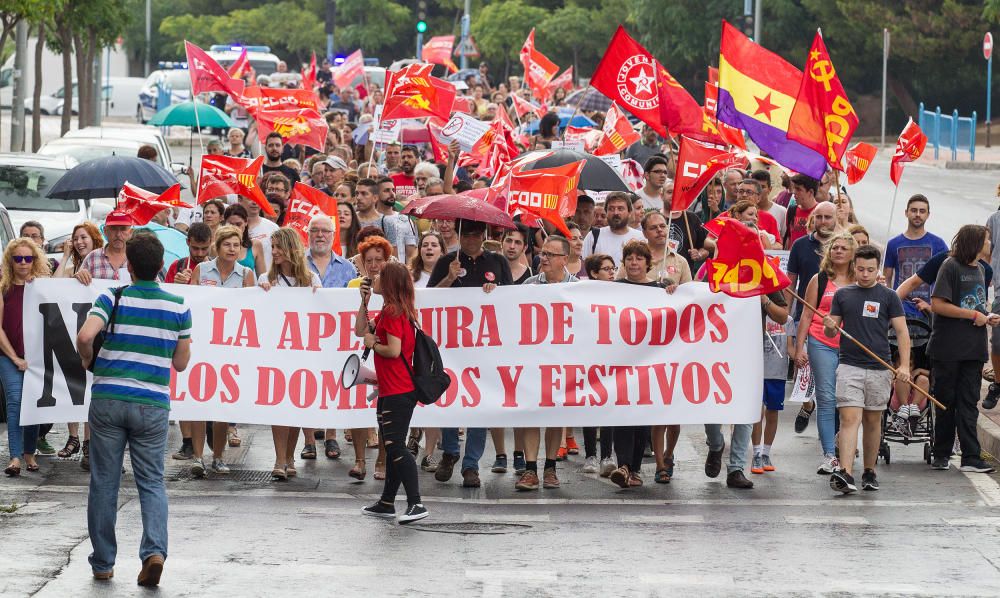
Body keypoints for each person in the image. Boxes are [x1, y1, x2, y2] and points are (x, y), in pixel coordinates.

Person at [76, 233, 192, 586]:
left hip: (109, 399)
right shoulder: (178, 306)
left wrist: (88, 361)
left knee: (104, 483)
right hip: (152, 404)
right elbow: (182, 363)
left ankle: (103, 562)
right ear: (160, 266)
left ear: (128, 265)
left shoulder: (111, 297)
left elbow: (84, 337)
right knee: (152, 482)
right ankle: (154, 552)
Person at [427, 219, 511, 487]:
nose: (471, 240)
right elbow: (429, 299)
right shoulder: (446, 262)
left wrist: (495, 293)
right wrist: (450, 278)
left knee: (480, 403)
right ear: (460, 235)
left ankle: (471, 465)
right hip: (451, 344)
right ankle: (450, 451)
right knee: (451, 396)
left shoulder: (498, 262)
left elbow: (514, 300)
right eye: (467, 235)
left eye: (476, 235)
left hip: (486, 346)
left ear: (483, 236)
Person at [825, 244, 911, 493]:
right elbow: (833, 330)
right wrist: (830, 325)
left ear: (877, 269)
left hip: (879, 367)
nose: (865, 274)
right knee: (849, 418)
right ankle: (845, 473)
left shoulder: (888, 296)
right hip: (849, 365)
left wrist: (904, 365)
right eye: (861, 269)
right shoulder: (843, 295)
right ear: (855, 267)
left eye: (870, 270)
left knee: (873, 421)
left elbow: (902, 332)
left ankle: (869, 471)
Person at [357, 262, 428, 523]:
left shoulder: (394, 311)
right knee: (392, 445)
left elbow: (393, 351)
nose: (373, 278)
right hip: (389, 389)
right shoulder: (389, 311)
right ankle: (387, 502)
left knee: (396, 446)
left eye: (378, 276)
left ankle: (416, 503)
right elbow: (359, 330)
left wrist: (374, 344)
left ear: (388, 283)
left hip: (398, 390)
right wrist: (363, 302)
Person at [928, 225, 999, 473]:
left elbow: (977, 304)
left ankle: (971, 456)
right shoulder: (950, 266)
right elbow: (937, 304)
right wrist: (972, 315)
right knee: (946, 401)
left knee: (969, 403)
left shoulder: (981, 269)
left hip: (974, 348)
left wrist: (987, 316)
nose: (990, 244)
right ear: (976, 242)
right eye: (987, 240)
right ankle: (941, 453)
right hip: (948, 348)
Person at [513, 236, 579, 491]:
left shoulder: (578, 288)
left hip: (564, 360)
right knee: (532, 412)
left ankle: (550, 467)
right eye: (543, 253)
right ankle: (530, 470)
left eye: (551, 254)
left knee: (556, 414)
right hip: (535, 359)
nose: (545, 258)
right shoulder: (529, 285)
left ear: (565, 259)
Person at [189, 226, 255, 477]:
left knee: (221, 406)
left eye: (236, 245)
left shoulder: (247, 274)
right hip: (203, 345)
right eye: (227, 244)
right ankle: (197, 457)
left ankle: (217, 457)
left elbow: (252, 308)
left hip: (231, 349)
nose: (232, 249)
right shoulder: (201, 270)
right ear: (217, 246)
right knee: (198, 403)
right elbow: (190, 300)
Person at [258, 228, 321, 480]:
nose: (273, 252)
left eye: (278, 247)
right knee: (278, 406)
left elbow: (320, 313)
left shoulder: (311, 280)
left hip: (302, 351)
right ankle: (278, 458)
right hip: (276, 351)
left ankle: (289, 456)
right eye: (272, 247)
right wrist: (261, 291)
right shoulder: (267, 278)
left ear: (290, 248)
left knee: (294, 405)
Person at [795, 232, 857, 474]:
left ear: (852, 254)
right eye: (835, 248)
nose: (838, 251)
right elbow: (807, 315)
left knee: (848, 399)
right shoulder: (819, 280)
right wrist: (799, 347)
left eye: (843, 248)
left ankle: (846, 444)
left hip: (851, 346)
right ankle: (829, 455)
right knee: (826, 398)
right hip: (821, 342)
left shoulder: (859, 280)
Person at [300, 214, 358, 460]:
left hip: (336, 336)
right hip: (304, 335)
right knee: (306, 385)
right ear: (308, 233)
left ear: (333, 236)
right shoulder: (297, 263)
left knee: (335, 385)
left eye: (325, 231)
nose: (320, 235)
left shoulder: (347, 267)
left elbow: (355, 302)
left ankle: (331, 435)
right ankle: (309, 440)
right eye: (315, 230)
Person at [162, 223, 213, 462]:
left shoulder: (215, 266)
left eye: (204, 248)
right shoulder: (178, 266)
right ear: (188, 243)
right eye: (196, 248)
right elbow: (167, 297)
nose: (200, 253)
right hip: (184, 334)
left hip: (212, 336)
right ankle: (187, 442)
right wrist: (179, 286)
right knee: (183, 386)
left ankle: (209, 431)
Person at [53, 222, 104, 458]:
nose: (79, 242)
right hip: (69, 333)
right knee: (72, 383)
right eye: (76, 238)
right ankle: (72, 436)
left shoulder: (99, 267)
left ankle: (87, 441)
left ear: (94, 239)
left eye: (84, 237)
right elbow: (52, 286)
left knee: (90, 387)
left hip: (92, 335)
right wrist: (64, 258)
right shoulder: (72, 265)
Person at [2, 238, 50, 477]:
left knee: (33, 403)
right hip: (7, 355)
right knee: (15, 401)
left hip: (35, 357)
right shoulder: (3, 288)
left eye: (27, 258)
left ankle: (29, 452)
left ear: (34, 261)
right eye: (17, 258)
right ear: (10, 261)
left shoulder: (40, 286)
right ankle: (15, 456)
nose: (22, 263)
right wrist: (14, 357)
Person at [580, 254, 618, 475]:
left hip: (611, 355)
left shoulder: (620, 292)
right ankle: (590, 456)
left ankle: (606, 456)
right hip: (588, 355)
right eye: (606, 269)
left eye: (613, 268)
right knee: (590, 406)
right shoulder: (582, 293)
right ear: (594, 273)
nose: (612, 272)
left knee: (607, 406)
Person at [884, 195, 948, 320]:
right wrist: (889, 305)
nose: (918, 214)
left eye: (922, 211)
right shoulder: (893, 244)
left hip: (927, 311)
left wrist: (935, 306)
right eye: (913, 210)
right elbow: (887, 278)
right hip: (899, 310)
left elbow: (947, 278)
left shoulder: (938, 244)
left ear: (928, 215)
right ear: (906, 213)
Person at [751, 283, 792, 476]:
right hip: (755, 365)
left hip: (776, 371)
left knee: (773, 413)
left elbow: (785, 320)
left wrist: (764, 299)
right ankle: (757, 453)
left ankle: (766, 452)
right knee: (756, 412)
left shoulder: (772, 294)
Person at [354, 178, 416, 261]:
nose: (358, 197)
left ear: (375, 198)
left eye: (364, 194)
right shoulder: (350, 219)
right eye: (356, 193)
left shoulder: (389, 222)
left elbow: (395, 257)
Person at [581, 192, 645, 266]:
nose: (616, 213)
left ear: (629, 212)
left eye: (620, 209)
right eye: (611, 209)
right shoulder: (593, 236)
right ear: (606, 212)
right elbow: (583, 268)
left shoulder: (640, 238)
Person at [223, 204, 267, 277]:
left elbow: (263, 277)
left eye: (238, 224)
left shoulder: (255, 245)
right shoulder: (216, 246)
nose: (235, 228)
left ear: (246, 222)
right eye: (231, 224)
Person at [239, 196, 280, 269]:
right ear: (240, 200)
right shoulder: (232, 226)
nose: (254, 203)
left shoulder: (273, 228)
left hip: (268, 278)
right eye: (249, 198)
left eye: (257, 199)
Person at [784, 173, 821, 248]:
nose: (794, 192)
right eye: (794, 188)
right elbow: (789, 237)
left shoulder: (821, 211)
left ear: (810, 192)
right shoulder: (791, 210)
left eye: (798, 189)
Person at [752, 169, 786, 240]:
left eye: (762, 187)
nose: (758, 190)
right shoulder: (742, 211)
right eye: (755, 186)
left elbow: (783, 239)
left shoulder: (782, 211)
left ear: (770, 189)